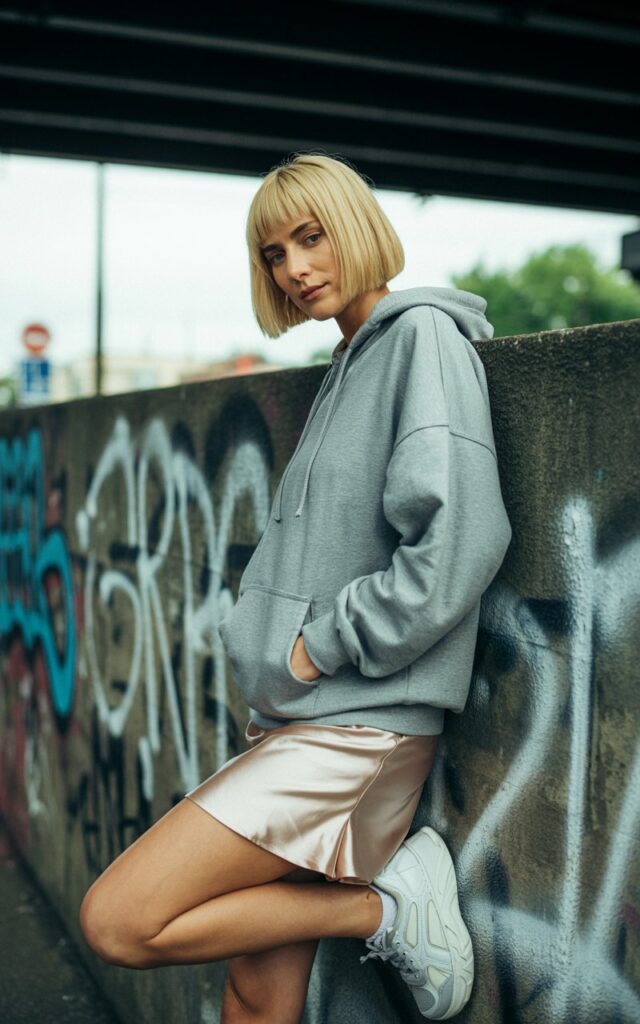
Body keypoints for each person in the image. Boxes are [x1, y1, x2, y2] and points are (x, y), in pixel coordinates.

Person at [78, 152, 512, 1023]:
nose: (295, 269)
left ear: (355, 225)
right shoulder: (349, 361)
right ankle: (380, 909)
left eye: (311, 238)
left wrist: (321, 645)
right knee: (255, 996)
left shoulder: (422, 341)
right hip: (305, 724)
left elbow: (461, 541)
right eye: (275, 254)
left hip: (358, 733)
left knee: (119, 920)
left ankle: (385, 911)